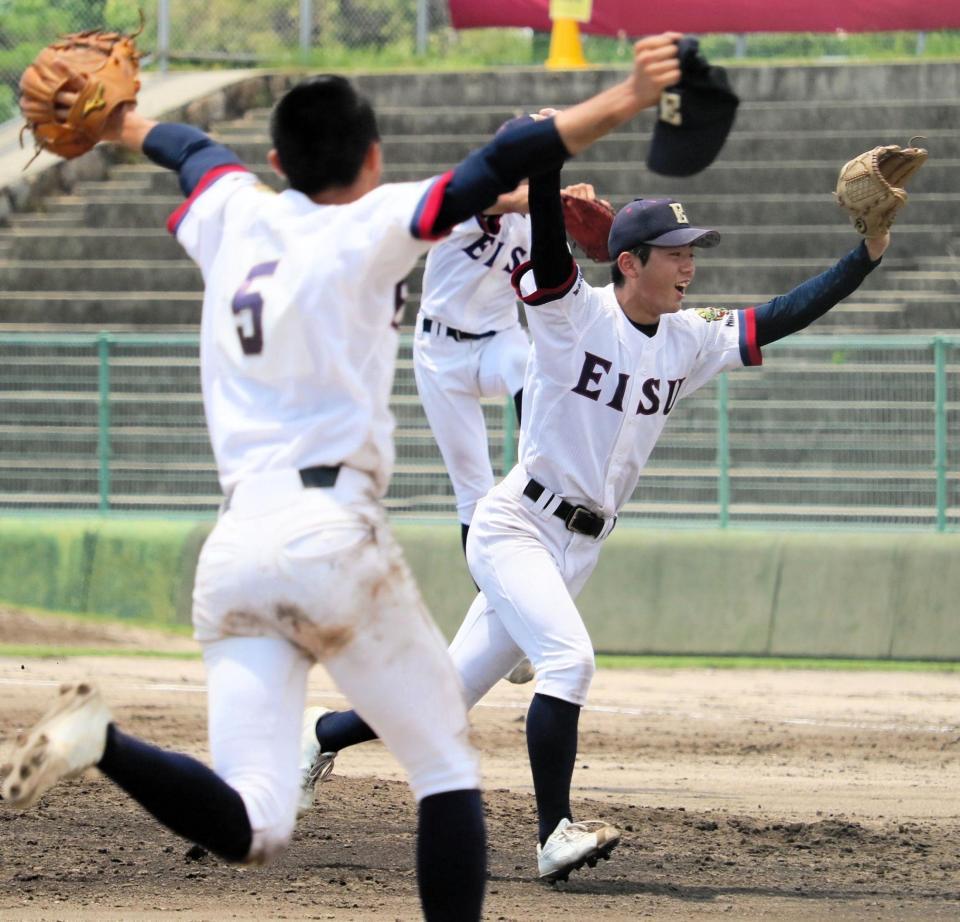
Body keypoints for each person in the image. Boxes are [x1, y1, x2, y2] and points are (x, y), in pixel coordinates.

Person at [1, 33, 685, 920]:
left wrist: (120, 121)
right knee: (442, 760)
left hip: (237, 550)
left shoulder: (233, 212)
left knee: (253, 819)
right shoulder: (373, 220)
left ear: (277, 160)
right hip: (330, 535)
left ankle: (105, 743)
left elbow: (186, 147)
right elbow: (501, 162)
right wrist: (623, 98)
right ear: (372, 158)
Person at [298, 152, 893, 883]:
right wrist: (543, 166)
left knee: (442, 700)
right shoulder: (572, 316)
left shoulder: (689, 338)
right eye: (674, 255)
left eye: (692, 254)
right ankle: (553, 835)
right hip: (516, 525)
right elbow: (548, 254)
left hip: (578, 548)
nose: (689, 267)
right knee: (568, 661)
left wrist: (866, 255)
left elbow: (777, 317)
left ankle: (321, 736)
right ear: (629, 262)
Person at [414, 153, 601, 685]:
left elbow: (572, 260)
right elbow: (489, 197)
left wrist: (574, 214)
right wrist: (548, 193)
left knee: (531, 363)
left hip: (499, 342)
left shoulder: (532, 216)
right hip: (440, 350)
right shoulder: (467, 197)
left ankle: (536, 477)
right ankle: (507, 621)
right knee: (472, 491)